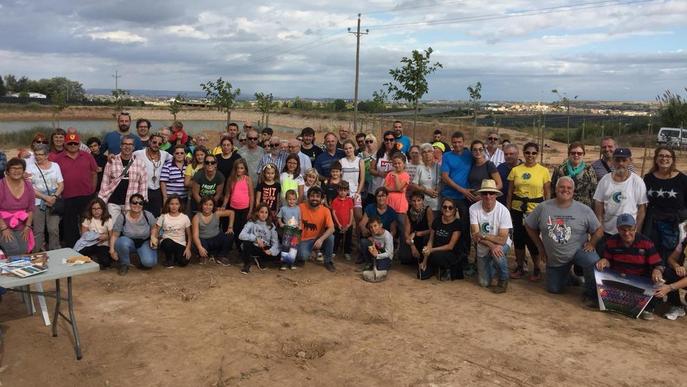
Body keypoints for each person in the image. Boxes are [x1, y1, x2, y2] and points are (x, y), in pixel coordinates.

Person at [525, 176, 603, 304]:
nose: (565, 190)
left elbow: (599, 230)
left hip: (579, 252)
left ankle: (590, 294)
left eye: (569, 188)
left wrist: (591, 243)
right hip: (556, 257)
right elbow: (529, 225)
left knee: (592, 260)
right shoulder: (543, 207)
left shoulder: (584, 210)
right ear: (556, 189)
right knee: (554, 289)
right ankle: (569, 277)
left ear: (573, 191)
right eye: (562, 187)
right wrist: (541, 248)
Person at [596, 213, 663, 320]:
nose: (627, 233)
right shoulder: (611, 241)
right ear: (618, 229)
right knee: (596, 267)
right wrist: (604, 261)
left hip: (640, 280)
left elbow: (659, 264)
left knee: (657, 281)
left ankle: (648, 308)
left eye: (630, 229)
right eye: (623, 229)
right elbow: (608, 261)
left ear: (635, 228)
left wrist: (657, 270)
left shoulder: (646, 242)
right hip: (618, 279)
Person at [507, 142, 551, 281]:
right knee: (519, 239)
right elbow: (510, 192)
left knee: (532, 240)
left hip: (534, 210)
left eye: (533, 153)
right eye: (527, 153)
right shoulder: (516, 170)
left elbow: (547, 193)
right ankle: (520, 266)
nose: (530, 155)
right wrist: (508, 211)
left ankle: (537, 268)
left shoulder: (543, 171)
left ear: (537, 154)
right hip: (517, 208)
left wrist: (546, 210)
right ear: (523, 154)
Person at [642, 146, 687, 263]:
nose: (664, 158)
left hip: (673, 225)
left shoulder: (682, 179)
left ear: (672, 159)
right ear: (656, 159)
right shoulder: (648, 178)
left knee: (669, 256)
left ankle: (668, 280)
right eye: (661, 156)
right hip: (652, 223)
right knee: (651, 253)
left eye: (667, 156)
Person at [53, 132, 98, 247]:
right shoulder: (58, 159)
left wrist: (92, 190)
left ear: (79, 144)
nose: (73, 145)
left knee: (87, 222)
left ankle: (89, 246)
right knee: (70, 224)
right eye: (70, 143)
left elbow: (94, 173)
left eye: (75, 143)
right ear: (65, 144)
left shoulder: (87, 156)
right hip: (68, 197)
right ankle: (72, 247)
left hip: (86, 195)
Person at [593, 148, 647, 242]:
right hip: (607, 232)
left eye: (624, 160)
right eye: (617, 160)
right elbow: (599, 204)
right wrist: (600, 226)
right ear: (613, 161)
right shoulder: (605, 180)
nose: (621, 163)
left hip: (628, 233)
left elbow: (642, 208)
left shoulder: (637, 181)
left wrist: (636, 231)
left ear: (630, 161)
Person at [469, 179, 512, 293]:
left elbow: (502, 240)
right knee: (484, 283)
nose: (488, 196)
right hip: (484, 246)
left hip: (500, 244)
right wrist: (491, 245)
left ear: (496, 195)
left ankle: (503, 279)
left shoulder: (504, 211)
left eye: (491, 193)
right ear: (481, 195)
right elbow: (475, 236)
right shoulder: (473, 209)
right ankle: (493, 265)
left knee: (497, 252)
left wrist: (483, 235)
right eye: (484, 193)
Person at [440, 131, 474, 270]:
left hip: (465, 198)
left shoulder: (469, 155)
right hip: (450, 196)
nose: (457, 144)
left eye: (459, 142)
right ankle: (448, 255)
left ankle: (464, 257)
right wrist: (462, 190)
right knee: (448, 226)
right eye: (454, 142)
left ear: (464, 142)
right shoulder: (447, 156)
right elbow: (445, 177)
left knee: (465, 228)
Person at [98, 135, 148, 223]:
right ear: (120, 145)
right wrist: (101, 199)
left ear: (133, 147)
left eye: (130, 144)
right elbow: (105, 182)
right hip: (113, 202)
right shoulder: (112, 161)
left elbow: (143, 184)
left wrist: (141, 202)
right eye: (124, 144)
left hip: (131, 203)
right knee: (113, 228)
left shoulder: (140, 163)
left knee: (129, 229)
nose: (127, 146)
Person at [26, 144, 63, 252]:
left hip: (53, 201)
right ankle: (36, 252)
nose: (38, 157)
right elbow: (29, 188)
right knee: (38, 230)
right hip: (37, 201)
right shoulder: (30, 168)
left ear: (47, 155)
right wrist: (45, 197)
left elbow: (61, 184)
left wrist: (54, 196)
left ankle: (54, 251)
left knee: (54, 229)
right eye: (36, 154)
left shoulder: (55, 166)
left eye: (41, 154)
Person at [110, 193, 158, 275]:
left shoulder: (147, 215)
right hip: (128, 242)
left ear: (143, 205)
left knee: (150, 263)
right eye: (134, 202)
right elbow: (115, 234)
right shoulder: (122, 216)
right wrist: (111, 250)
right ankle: (124, 264)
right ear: (130, 204)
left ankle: (141, 259)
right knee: (121, 242)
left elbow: (154, 227)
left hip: (144, 241)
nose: (137, 205)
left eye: (140, 203)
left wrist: (153, 236)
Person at [419, 198, 463, 281]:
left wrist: (431, 250)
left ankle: (446, 269)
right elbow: (431, 240)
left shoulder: (457, 224)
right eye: (445, 207)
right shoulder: (437, 220)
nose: (447, 209)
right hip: (435, 250)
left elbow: (450, 246)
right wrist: (425, 258)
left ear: (454, 210)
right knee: (421, 275)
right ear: (442, 208)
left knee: (437, 256)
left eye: (450, 207)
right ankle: (434, 268)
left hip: (450, 253)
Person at [0, 158, 36, 255]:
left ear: (23, 171)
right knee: (13, 250)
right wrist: (3, 228)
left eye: (20, 168)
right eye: (13, 168)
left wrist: (28, 226)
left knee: (24, 250)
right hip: (2, 225)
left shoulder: (28, 185)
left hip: (21, 225)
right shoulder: (1, 185)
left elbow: (31, 208)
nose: (17, 171)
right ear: (7, 171)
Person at [298, 186, 336, 272]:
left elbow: (332, 228)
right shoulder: (300, 207)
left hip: (318, 239)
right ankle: (311, 252)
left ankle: (328, 261)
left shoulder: (325, 210)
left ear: (322, 199)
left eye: (317, 196)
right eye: (312, 196)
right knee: (302, 256)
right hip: (304, 239)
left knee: (331, 237)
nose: (314, 198)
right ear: (308, 197)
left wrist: (321, 239)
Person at [133, 133, 170, 217]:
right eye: (154, 142)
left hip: (157, 191)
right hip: (143, 190)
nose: (156, 145)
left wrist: (188, 157)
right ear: (149, 142)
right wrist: (112, 157)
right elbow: (125, 157)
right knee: (142, 215)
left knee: (156, 216)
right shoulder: (139, 153)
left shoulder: (164, 154)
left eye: (159, 144)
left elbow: (176, 157)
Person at [551, 142, 597, 208]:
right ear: (568, 154)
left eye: (579, 153)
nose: (576, 155)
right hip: (563, 207)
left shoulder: (589, 170)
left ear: (583, 154)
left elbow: (593, 191)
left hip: (583, 208)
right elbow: (553, 189)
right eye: (573, 153)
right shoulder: (559, 169)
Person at [192, 196, 234, 266]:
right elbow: (195, 235)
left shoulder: (216, 214)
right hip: (204, 240)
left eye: (210, 205)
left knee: (230, 235)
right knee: (198, 244)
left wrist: (230, 227)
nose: (207, 207)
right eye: (205, 204)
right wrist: (200, 247)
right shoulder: (196, 217)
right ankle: (203, 256)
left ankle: (221, 256)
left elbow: (231, 213)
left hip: (216, 238)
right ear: (201, 205)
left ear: (213, 206)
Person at [151, 195, 192, 268]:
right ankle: (168, 259)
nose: (174, 206)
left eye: (177, 204)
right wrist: (154, 238)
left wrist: (188, 248)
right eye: (172, 204)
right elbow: (156, 229)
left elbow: (189, 235)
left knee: (184, 262)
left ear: (180, 205)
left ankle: (176, 258)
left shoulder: (185, 217)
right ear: (168, 205)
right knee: (168, 243)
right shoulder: (164, 216)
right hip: (167, 241)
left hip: (180, 243)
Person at [238, 204, 280, 273]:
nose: (264, 214)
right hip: (253, 246)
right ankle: (247, 264)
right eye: (261, 212)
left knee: (278, 254)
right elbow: (241, 235)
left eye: (266, 212)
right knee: (246, 243)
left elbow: (275, 242)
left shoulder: (271, 225)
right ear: (257, 213)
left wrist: (271, 251)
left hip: (264, 248)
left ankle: (260, 259)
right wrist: (255, 238)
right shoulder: (251, 222)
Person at [223, 159, 253, 250]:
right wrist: (224, 205)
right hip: (233, 208)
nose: (239, 170)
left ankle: (241, 249)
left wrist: (250, 211)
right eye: (237, 168)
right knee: (234, 228)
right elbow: (227, 195)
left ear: (245, 169)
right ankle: (235, 247)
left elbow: (251, 195)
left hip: (245, 209)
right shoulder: (231, 179)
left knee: (242, 229)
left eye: (241, 168)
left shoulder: (248, 179)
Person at [657, 228, 687, 320]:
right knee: (668, 272)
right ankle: (676, 305)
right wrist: (677, 266)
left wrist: (669, 287)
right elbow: (671, 259)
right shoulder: (685, 241)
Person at [78, 198, 113, 268]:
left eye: (98, 208)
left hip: (103, 244)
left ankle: (95, 259)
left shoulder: (108, 219)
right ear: (90, 210)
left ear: (103, 209)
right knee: (79, 253)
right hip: (90, 243)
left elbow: (111, 235)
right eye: (94, 209)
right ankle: (92, 259)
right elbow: (84, 235)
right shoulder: (87, 219)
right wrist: (94, 238)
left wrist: (106, 237)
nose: (96, 211)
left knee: (105, 262)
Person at [402, 191, 433, 265]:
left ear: (423, 201)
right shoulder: (408, 213)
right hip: (414, 238)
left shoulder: (427, 210)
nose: (416, 203)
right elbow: (406, 233)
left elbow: (432, 230)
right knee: (404, 257)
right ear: (410, 201)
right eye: (414, 201)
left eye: (419, 200)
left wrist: (417, 233)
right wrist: (412, 246)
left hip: (426, 236)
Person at [360, 217, 394, 282]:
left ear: (380, 225)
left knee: (380, 267)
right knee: (364, 242)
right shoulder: (373, 232)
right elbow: (374, 241)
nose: (373, 229)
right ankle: (369, 263)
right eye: (371, 227)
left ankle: (384, 264)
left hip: (386, 256)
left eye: (375, 226)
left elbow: (388, 253)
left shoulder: (387, 236)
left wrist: (377, 255)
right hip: (377, 251)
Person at [411, 143, 441, 216]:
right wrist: (426, 190)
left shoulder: (439, 167)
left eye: (429, 151)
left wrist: (439, 189)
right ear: (421, 155)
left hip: (437, 204)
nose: (427, 154)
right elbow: (414, 185)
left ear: (433, 153)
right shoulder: (419, 168)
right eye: (424, 152)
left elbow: (444, 182)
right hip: (424, 205)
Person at [340, 139, 365, 221]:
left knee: (358, 216)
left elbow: (362, 179)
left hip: (356, 193)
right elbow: (339, 178)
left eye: (350, 148)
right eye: (346, 148)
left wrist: (358, 193)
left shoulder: (360, 161)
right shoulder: (341, 161)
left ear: (354, 148)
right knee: (346, 217)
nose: (348, 150)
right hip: (344, 193)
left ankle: (358, 234)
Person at [331, 181, 354, 260]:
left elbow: (351, 211)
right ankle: (334, 251)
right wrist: (338, 224)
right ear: (338, 190)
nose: (343, 192)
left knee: (348, 239)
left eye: (344, 190)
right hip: (338, 225)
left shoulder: (350, 200)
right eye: (341, 190)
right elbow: (333, 212)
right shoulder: (335, 201)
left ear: (347, 191)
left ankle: (347, 252)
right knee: (337, 238)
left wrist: (350, 223)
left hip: (348, 224)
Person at [370, 131, 397, 195]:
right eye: (386, 139)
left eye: (391, 140)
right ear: (384, 141)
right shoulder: (377, 153)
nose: (389, 142)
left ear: (395, 141)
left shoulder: (400, 154)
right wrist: (381, 174)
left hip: (392, 189)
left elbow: (404, 170)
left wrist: (391, 173)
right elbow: (371, 170)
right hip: (378, 188)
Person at [384, 153, 410, 218]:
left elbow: (398, 187)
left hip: (400, 205)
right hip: (389, 203)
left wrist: (396, 177)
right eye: (395, 163)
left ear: (404, 164)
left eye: (399, 163)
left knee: (401, 224)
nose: (397, 165)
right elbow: (384, 187)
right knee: (391, 225)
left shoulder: (405, 175)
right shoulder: (390, 174)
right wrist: (398, 190)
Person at [360, 134, 377, 206]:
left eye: (371, 141)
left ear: (375, 142)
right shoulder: (360, 154)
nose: (369, 143)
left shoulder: (379, 154)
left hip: (376, 184)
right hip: (365, 185)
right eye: (367, 142)